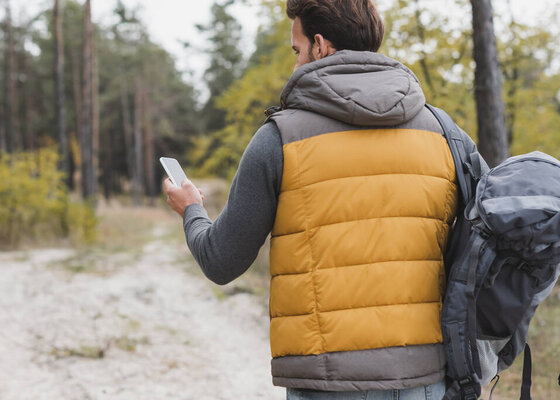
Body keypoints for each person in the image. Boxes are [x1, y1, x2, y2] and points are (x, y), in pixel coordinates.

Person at [163, 1, 475, 398]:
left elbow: (221, 261)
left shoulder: (280, 138)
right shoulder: (446, 133)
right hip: (425, 377)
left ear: (320, 45)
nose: (295, 64)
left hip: (327, 381)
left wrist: (191, 209)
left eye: (297, 51)